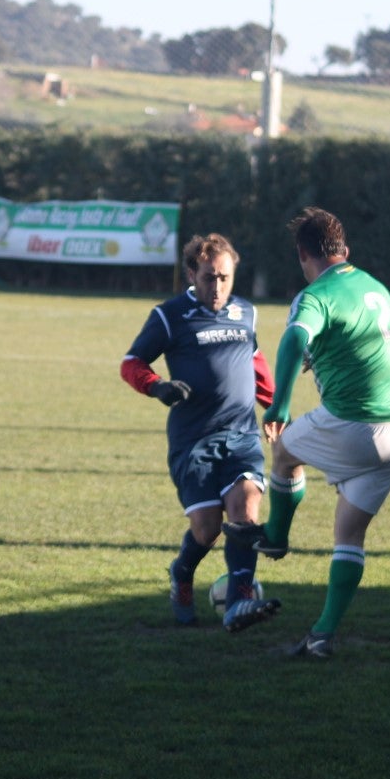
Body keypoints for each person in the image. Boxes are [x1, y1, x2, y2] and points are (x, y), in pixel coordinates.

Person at [223, 207, 390, 658]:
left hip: (360, 424)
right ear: (345, 251)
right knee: (348, 534)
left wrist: (279, 405)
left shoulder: (315, 295)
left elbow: (296, 338)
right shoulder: (374, 286)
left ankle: (274, 535)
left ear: (302, 256)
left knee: (284, 449)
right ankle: (321, 635)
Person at [121, 232, 282, 632]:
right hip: (193, 442)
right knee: (207, 529)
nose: (218, 287)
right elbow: (131, 362)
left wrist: (276, 409)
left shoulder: (246, 313)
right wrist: (157, 386)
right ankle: (182, 572)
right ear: (191, 273)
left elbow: (255, 362)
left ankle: (240, 602)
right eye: (209, 277)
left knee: (245, 512)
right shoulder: (169, 315)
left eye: (225, 278)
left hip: (242, 434)